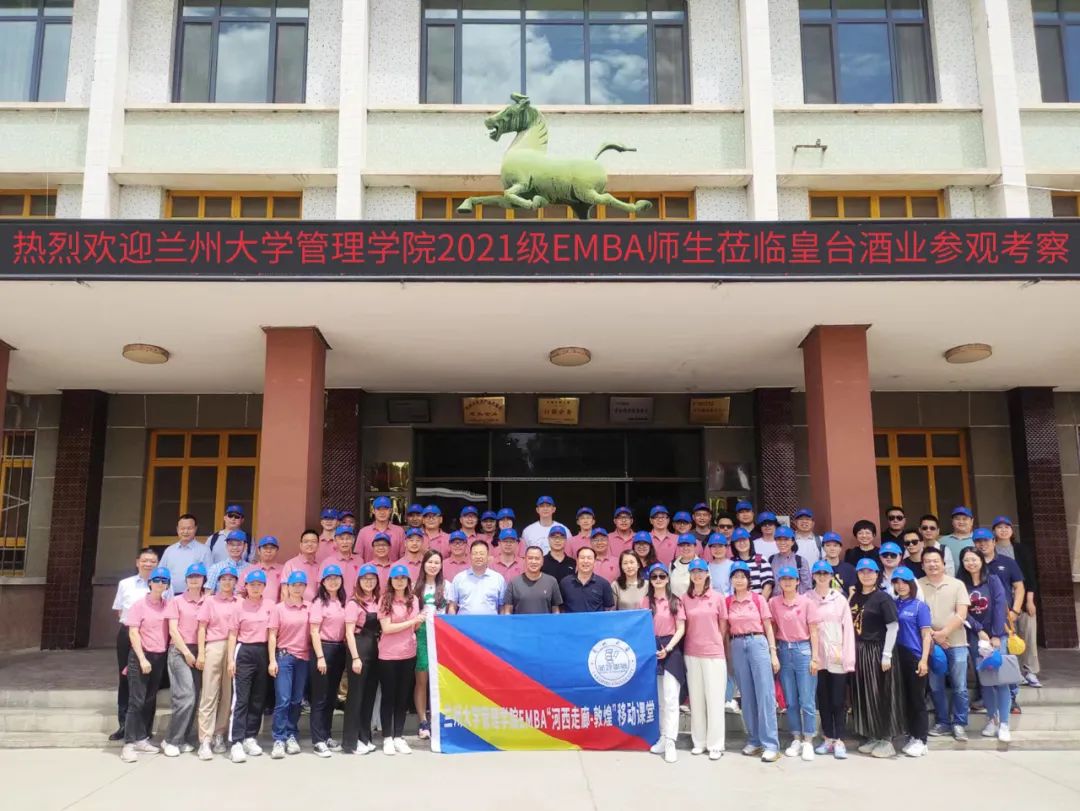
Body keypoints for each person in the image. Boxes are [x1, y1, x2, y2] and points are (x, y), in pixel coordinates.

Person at [957, 546, 1015, 742]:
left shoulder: (993, 580)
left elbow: (999, 606)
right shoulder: (960, 584)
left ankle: (1004, 723)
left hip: (997, 636)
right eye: (966, 560)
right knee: (986, 680)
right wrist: (979, 630)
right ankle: (992, 719)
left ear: (981, 560)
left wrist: (996, 635)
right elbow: (962, 612)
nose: (970, 563)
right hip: (976, 637)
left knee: (1001, 679)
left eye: (974, 559)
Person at [848, 558, 904, 758]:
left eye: (870, 571)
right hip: (859, 649)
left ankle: (886, 739)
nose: (866, 575)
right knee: (865, 694)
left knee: (882, 694)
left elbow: (893, 627)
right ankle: (872, 735)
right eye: (862, 571)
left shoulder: (883, 598)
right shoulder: (854, 597)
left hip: (878, 649)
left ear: (877, 574)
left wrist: (886, 654)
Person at [725, 560, 780, 762]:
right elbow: (725, 631)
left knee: (765, 694)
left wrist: (773, 653)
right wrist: (728, 657)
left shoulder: (758, 600)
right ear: (731, 580)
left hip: (757, 642)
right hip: (737, 645)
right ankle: (754, 740)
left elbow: (768, 627)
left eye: (742, 576)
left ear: (748, 580)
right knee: (746, 695)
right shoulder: (727, 602)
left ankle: (771, 744)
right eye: (735, 576)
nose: (739, 580)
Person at [119, 565, 172, 763]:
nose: (160, 584)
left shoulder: (168, 605)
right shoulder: (139, 605)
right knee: (136, 701)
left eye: (164, 581)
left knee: (150, 699)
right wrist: (142, 658)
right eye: (157, 580)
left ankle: (142, 738)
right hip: (141, 656)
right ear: (150, 583)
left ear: (168, 585)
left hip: (159, 657)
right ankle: (128, 744)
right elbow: (133, 633)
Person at [918, 546, 971, 741]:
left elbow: (962, 613)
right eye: (928, 562)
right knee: (936, 686)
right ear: (922, 565)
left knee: (960, 686)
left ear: (943, 563)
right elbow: (916, 613)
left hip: (957, 642)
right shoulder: (917, 585)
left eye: (936, 561)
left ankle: (959, 723)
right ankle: (942, 722)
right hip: (931, 643)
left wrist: (944, 633)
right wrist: (934, 636)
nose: (932, 565)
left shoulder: (957, 584)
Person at [769, 566, 820, 761]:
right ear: (779, 582)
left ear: (798, 581)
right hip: (783, 650)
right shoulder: (774, 603)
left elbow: (814, 631)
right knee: (790, 700)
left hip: (803, 650)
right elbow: (772, 628)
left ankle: (808, 740)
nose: (787, 582)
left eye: (791, 579)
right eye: (784, 579)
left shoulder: (807, 603)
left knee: (807, 699)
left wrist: (815, 657)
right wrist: (773, 653)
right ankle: (796, 738)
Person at [109, 548, 160, 742]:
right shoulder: (125, 584)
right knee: (125, 678)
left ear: (157, 564)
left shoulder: (164, 584)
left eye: (152, 561)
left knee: (149, 681)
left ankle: (145, 728)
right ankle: (124, 724)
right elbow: (119, 611)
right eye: (145, 560)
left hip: (153, 637)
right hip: (128, 634)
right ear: (137, 562)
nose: (148, 564)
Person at [807, 561, 855, 759]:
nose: (821, 576)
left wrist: (848, 658)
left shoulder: (840, 599)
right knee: (824, 700)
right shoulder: (807, 598)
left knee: (838, 700)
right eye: (818, 573)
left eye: (825, 573)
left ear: (831, 576)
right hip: (817, 657)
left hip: (837, 656)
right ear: (813, 576)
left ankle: (840, 740)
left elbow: (848, 630)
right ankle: (828, 738)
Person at [682, 558, 728, 760]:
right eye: (694, 572)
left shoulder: (717, 597)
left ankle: (716, 744)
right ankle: (699, 741)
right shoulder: (685, 598)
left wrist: (715, 642)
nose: (697, 575)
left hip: (713, 654)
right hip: (691, 652)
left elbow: (723, 626)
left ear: (707, 573)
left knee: (715, 699)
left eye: (700, 571)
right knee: (697, 699)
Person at [226, 569, 273, 763]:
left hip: (263, 651)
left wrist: (272, 659)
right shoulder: (238, 607)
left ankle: (250, 737)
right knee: (241, 698)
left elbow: (273, 633)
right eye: (252, 584)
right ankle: (236, 741)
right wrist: (230, 660)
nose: (255, 588)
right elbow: (232, 634)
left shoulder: (270, 606)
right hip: (244, 651)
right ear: (246, 586)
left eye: (259, 585)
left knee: (258, 698)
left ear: (264, 587)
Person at [641, 562, 686, 764]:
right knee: (659, 699)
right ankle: (662, 736)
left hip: (670, 649)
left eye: (662, 576)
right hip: (651, 648)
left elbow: (681, 628)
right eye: (654, 577)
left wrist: (668, 648)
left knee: (670, 697)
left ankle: (670, 742)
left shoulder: (675, 601)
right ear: (650, 580)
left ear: (667, 578)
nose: (658, 580)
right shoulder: (645, 601)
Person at [195, 562, 240, 760]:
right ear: (218, 581)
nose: (227, 582)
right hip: (214, 645)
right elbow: (201, 628)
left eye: (231, 579)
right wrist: (201, 653)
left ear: (236, 582)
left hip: (234, 648)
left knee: (227, 693)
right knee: (209, 692)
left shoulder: (240, 602)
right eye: (224, 579)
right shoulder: (210, 601)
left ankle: (219, 734)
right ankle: (205, 739)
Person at [378, 564, 423, 755]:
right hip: (388, 654)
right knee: (389, 696)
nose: (399, 581)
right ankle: (387, 737)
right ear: (391, 581)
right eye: (396, 578)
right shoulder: (384, 599)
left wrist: (412, 623)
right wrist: (411, 621)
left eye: (403, 578)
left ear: (408, 581)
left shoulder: (413, 600)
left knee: (402, 697)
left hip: (408, 653)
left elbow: (416, 628)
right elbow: (387, 628)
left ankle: (398, 736)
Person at [991, 515, 1041, 687]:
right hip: (1003, 604)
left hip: (1024, 602)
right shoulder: (991, 551)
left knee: (1028, 636)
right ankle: (1016, 672)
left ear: (1012, 530)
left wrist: (1030, 600)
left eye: (1007, 527)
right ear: (994, 531)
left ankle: (1030, 671)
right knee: (1010, 638)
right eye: (999, 527)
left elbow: (1030, 576)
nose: (1003, 530)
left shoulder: (1020, 549)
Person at [162, 561, 205, 757]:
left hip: (200, 651)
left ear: (204, 579)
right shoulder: (176, 601)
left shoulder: (208, 601)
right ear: (186, 580)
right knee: (185, 696)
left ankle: (183, 738)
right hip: (179, 651)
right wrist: (187, 653)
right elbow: (172, 630)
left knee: (194, 697)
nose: (194, 580)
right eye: (191, 577)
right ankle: (172, 740)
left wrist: (200, 653)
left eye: (198, 576)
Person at [267, 570, 310, 758]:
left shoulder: (309, 608)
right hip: (284, 657)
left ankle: (291, 734)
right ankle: (279, 738)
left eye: (301, 585)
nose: (297, 588)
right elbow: (272, 635)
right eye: (294, 585)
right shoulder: (279, 608)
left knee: (296, 699)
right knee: (283, 699)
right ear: (288, 587)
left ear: (305, 587)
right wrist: (272, 660)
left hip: (303, 658)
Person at [341, 564, 381, 755]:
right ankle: (351, 742)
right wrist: (355, 657)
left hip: (374, 650)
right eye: (365, 579)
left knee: (368, 696)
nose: (369, 582)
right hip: (358, 649)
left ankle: (364, 737)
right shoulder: (353, 603)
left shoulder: (377, 601)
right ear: (358, 581)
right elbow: (349, 633)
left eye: (372, 579)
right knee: (355, 697)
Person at [892, 566, 931, 757]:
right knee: (904, 699)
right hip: (897, 656)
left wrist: (924, 660)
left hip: (914, 656)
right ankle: (911, 735)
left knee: (917, 699)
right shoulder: (893, 604)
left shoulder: (919, 606)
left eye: (904, 582)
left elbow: (926, 635)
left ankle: (921, 739)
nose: (900, 586)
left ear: (911, 584)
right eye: (897, 582)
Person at [308, 564, 347, 757]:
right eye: (329, 578)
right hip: (323, 649)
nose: (333, 581)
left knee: (332, 696)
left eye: (336, 578)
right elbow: (314, 631)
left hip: (339, 649)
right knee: (320, 697)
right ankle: (318, 740)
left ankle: (327, 734)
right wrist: (320, 657)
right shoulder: (318, 603)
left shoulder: (343, 601)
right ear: (322, 582)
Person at [414, 550, 447, 740]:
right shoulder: (415, 587)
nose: (433, 565)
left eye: (437, 562)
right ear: (424, 564)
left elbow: (452, 611)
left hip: (442, 636)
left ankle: (438, 718)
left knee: (440, 680)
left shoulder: (447, 586)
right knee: (422, 680)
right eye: (430, 562)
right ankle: (423, 721)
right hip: (421, 636)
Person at [447, 540, 506, 615]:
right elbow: (452, 606)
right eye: (475, 553)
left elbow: (502, 608)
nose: (478, 557)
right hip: (463, 622)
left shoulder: (498, 578)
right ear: (470, 556)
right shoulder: (459, 578)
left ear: (488, 556)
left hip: (491, 622)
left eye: (482, 553)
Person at [160, 514, 211, 594]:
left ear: (195, 529)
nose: (185, 531)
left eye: (189, 528)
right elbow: (161, 573)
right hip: (170, 596)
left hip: (194, 596)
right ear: (177, 529)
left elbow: (209, 576)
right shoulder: (169, 550)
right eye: (182, 528)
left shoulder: (204, 550)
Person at [505, 546, 564, 614]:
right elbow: (507, 611)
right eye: (530, 558)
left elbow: (556, 610)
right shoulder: (514, 582)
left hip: (545, 621)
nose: (533, 562)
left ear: (542, 561)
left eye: (537, 558)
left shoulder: (552, 581)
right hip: (520, 621)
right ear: (525, 560)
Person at [560, 547, 615, 613]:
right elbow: (561, 608)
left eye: (589, 558)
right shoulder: (565, 583)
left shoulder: (604, 584)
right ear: (577, 560)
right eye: (582, 558)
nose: (585, 561)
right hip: (571, 620)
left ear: (594, 561)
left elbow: (608, 609)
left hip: (596, 620)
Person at [357, 495, 405, 560]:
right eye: (379, 509)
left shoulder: (399, 532)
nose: (382, 512)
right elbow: (358, 558)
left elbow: (403, 558)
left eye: (385, 509)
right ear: (373, 511)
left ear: (390, 511)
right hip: (369, 567)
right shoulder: (363, 532)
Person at [730, 528, 774, 598]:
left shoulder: (760, 559)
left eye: (744, 539)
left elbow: (768, 586)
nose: (742, 543)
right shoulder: (731, 562)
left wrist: (759, 603)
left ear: (750, 541)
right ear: (733, 544)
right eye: (738, 541)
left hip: (758, 602)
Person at [280, 529, 321, 602]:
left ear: (318, 545)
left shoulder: (321, 565)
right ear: (301, 545)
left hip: (317, 606)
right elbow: (284, 591)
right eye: (306, 541)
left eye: (313, 541)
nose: (310, 544)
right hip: (296, 607)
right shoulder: (290, 564)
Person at [768, 526, 810, 593]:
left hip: (797, 598)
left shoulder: (800, 561)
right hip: (776, 598)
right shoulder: (771, 559)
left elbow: (807, 586)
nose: (782, 543)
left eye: (786, 539)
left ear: (792, 542)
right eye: (779, 539)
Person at [820, 532, 857, 597]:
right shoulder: (819, 568)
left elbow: (852, 590)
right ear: (823, 548)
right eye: (828, 545)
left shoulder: (849, 568)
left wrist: (847, 602)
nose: (832, 549)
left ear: (840, 548)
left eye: (835, 545)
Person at [248, 536, 282, 603]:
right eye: (265, 548)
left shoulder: (283, 569)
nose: (268, 551)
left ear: (277, 551)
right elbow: (240, 592)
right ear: (258, 551)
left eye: (272, 548)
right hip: (253, 608)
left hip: (276, 608)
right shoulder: (249, 570)